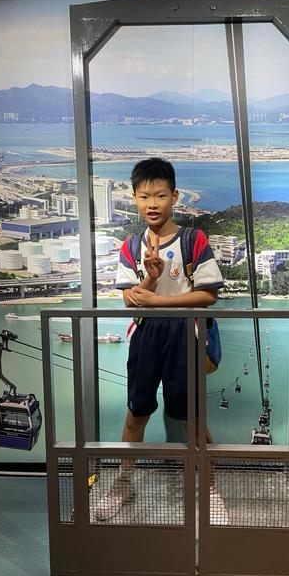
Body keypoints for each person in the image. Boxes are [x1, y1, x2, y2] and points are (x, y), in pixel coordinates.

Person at [95, 157, 229, 524]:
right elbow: (130, 299)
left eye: (160, 195)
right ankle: (124, 483)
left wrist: (158, 301)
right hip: (146, 334)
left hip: (186, 332)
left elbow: (209, 295)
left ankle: (210, 488)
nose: (152, 204)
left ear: (175, 196)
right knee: (137, 411)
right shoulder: (131, 245)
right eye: (144, 196)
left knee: (192, 417)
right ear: (134, 199)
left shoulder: (193, 239)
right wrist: (151, 278)